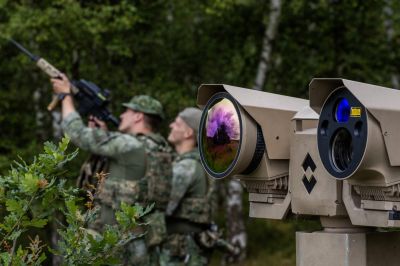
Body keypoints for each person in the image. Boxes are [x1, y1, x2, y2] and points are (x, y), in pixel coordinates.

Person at [51, 74, 172, 265]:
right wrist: (104, 135)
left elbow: (77, 133)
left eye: (127, 111)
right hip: (139, 242)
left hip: (111, 241)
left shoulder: (128, 144)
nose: (122, 115)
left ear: (138, 116)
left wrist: (65, 96)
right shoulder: (160, 150)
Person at [161, 107, 214, 266]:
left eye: (177, 124)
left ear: (188, 133)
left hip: (180, 251)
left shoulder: (186, 167)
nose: (171, 125)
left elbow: (162, 207)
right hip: (187, 248)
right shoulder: (199, 163)